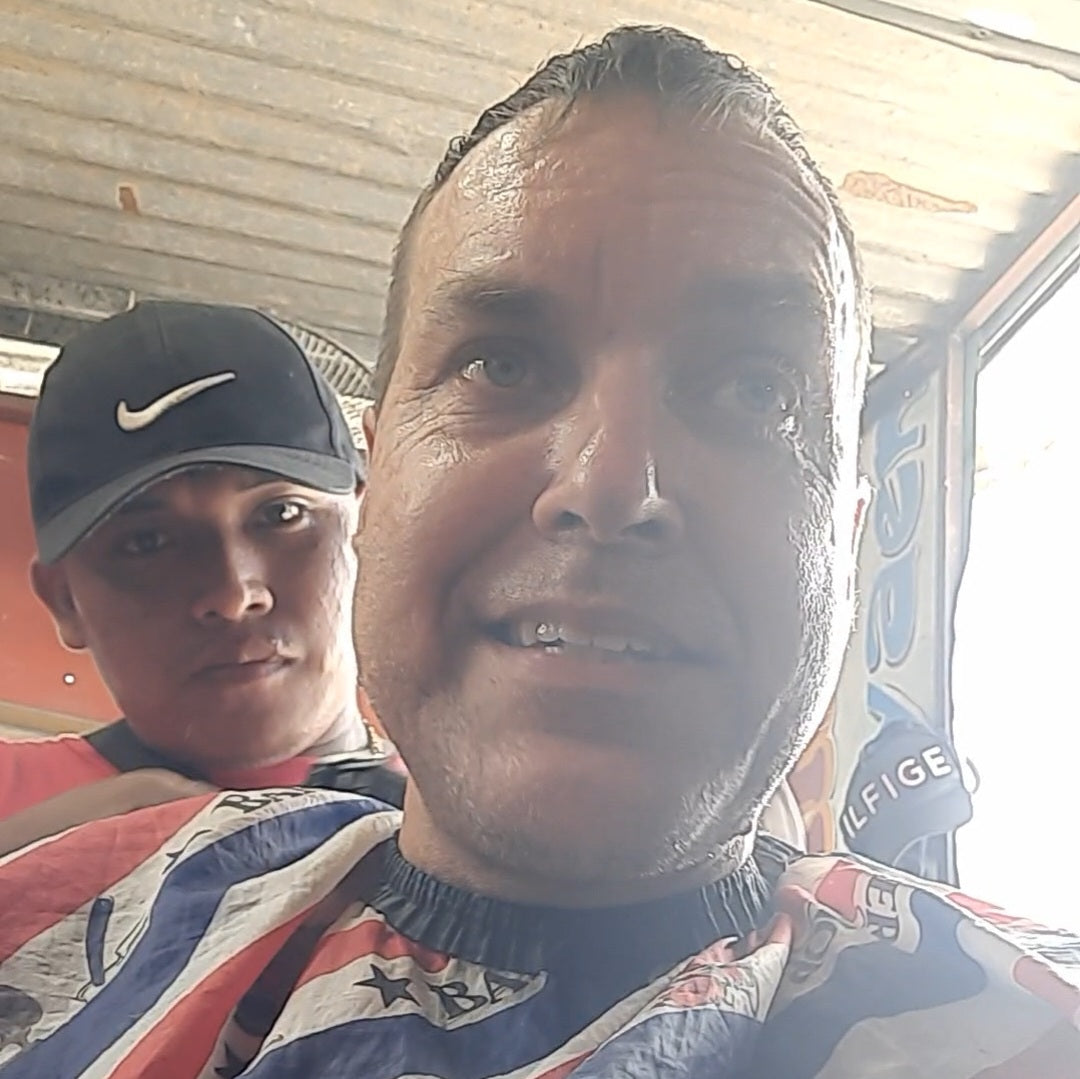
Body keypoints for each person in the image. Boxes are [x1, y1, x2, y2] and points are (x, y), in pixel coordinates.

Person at [0, 27, 1076, 1078]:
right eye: (502, 365)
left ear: (846, 532)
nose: (610, 486)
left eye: (757, 388)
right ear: (379, 479)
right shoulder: (55, 908)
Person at [0, 302, 401, 855]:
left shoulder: (480, 836)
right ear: (64, 600)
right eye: (148, 543)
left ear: (367, 528)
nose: (233, 594)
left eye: (281, 514)